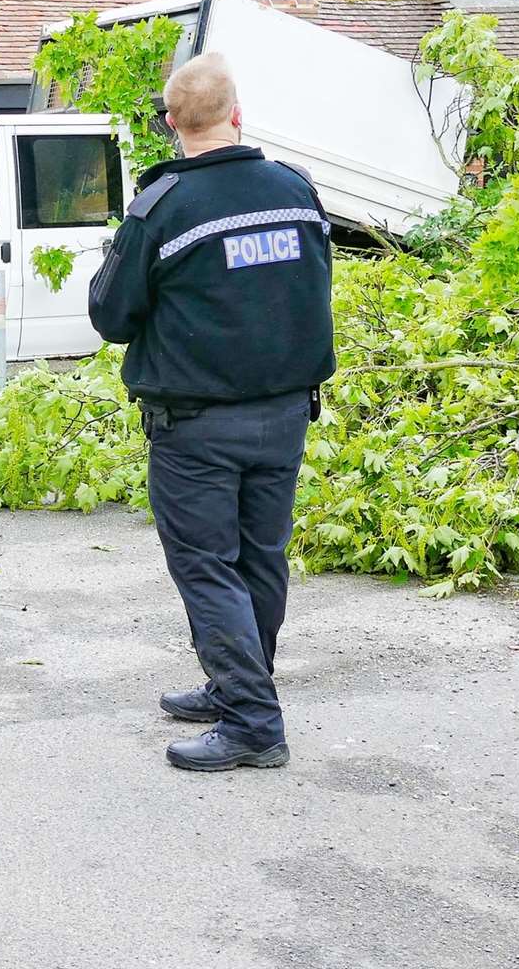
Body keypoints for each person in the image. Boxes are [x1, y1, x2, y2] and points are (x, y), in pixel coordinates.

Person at [88, 52, 335, 773]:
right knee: (259, 559)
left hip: (196, 423)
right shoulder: (294, 190)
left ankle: (252, 726)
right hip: (285, 412)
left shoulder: (162, 206)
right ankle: (236, 685)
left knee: (207, 568)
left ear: (171, 123)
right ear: (236, 111)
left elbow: (112, 316)